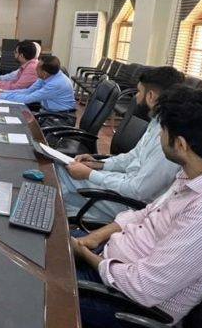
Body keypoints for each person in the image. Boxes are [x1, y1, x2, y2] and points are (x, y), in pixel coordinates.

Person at [70, 87, 202, 328]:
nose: (159, 135)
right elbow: (146, 213)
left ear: (181, 144)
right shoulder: (200, 173)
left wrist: (84, 254)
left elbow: (142, 288)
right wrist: (93, 238)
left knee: (26, 282)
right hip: (109, 259)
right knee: (37, 240)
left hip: (126, 307)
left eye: (162, 130)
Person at [58, 66, 185, 222]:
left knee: (59, 175)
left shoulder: (169, 141)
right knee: (60, 168)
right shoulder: (156, 122)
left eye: (139, 92)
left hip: (128, 203)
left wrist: (89, 174)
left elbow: (139, 191)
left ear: (151, 96)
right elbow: (132, 156)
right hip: (122, 183)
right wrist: (98, 164)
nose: (136, 97)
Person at [0, 56, 75, 119]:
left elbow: (28, 98)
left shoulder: (56, 83)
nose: (35, 69)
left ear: (44, 72)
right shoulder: (48, 75)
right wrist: (1, 92)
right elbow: (28, 91)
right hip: (47, 112)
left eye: (37, 68)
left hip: (60, 117)